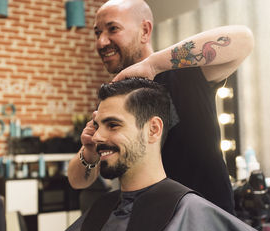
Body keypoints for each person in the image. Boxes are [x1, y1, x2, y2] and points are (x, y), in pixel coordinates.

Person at [21, 78, 270, 231]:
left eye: (113, 125)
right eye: (97, 125)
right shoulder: (103, 210)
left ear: (153, 130)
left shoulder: (191, 213)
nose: (98, 136)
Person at [68, 0, 255, 214]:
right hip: (149, 224)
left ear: (145, 31)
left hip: (206, 221)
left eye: (113, 29)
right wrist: (90, 151)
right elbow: (77, 182)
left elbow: (244, 39)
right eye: (97, 33)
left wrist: (152, 65)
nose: (101, 42)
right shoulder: (112, 100)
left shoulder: (186, 74)